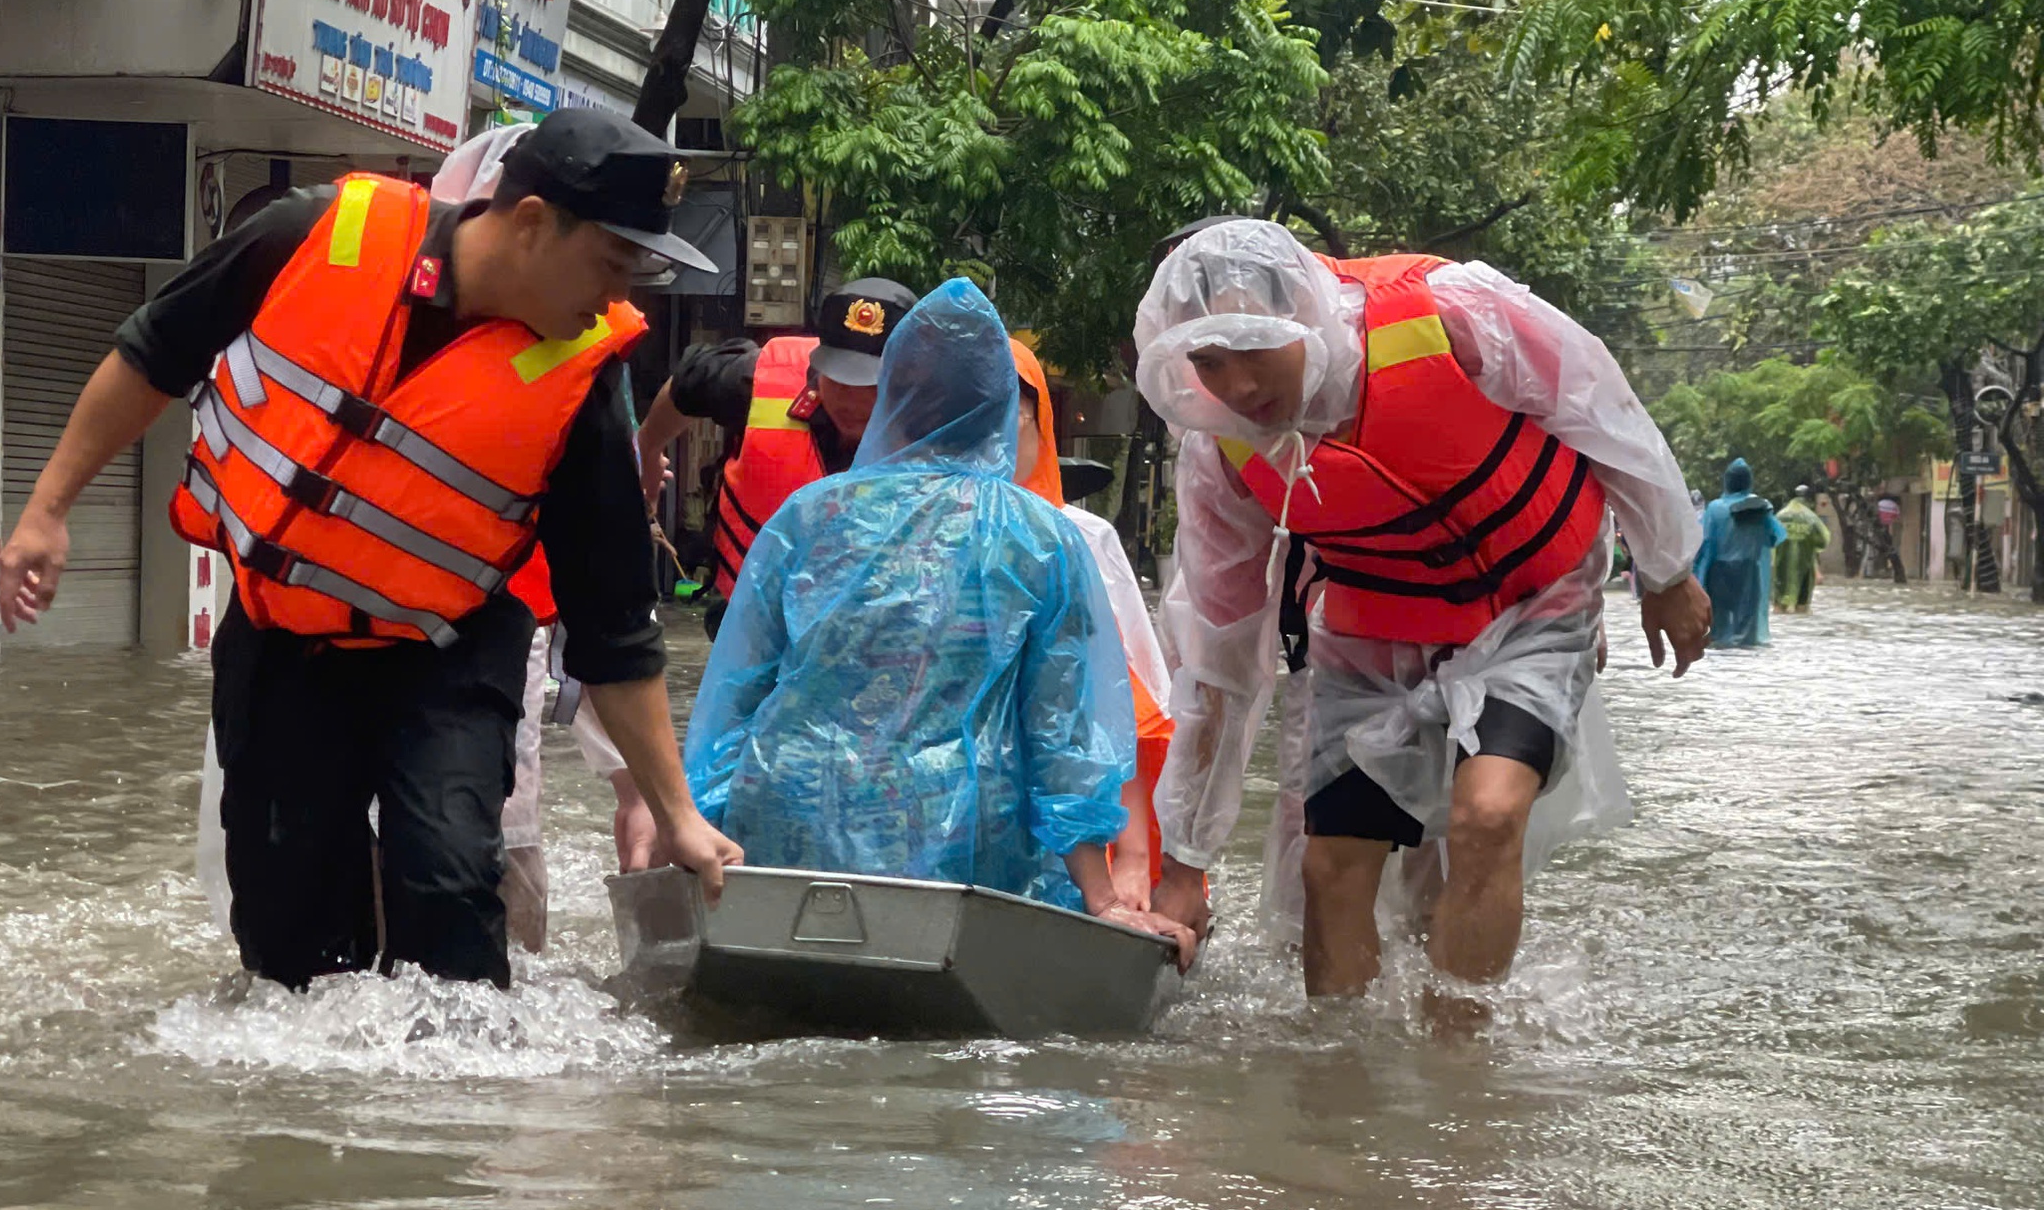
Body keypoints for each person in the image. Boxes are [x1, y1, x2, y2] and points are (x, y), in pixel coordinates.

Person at [0, 107, 742, 993]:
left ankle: (452, 1110)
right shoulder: (310, 235)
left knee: (451, 889)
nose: (623, 298)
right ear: (536, 222)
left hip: (451, 651)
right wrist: (46, 509)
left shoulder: (584, 379)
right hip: (284, 637)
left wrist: (675, 812)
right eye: (615, 264)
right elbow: (155, 353)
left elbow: (615, 624)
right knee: (288, 934)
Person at [1134, 219, 1712, 996]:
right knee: (1330, 863)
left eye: (1252, 346)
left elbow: (1601, 405)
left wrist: (1668, 567)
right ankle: (1338, 1080)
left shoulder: (1455, 313)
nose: (1237, 387)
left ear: (1302, 308)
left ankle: (1458, 1072)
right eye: (1208, 361)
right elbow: (1221, 660)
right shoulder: (1221, 453)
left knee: (1487, 816)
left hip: (1532, 603)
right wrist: (1185, 867)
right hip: (1375, 628)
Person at [681, 279, 1194, 958]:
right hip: (955, 849)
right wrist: (1103, 901)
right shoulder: (1041, 536)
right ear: (1000, 405)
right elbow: (1062, 733)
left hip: (784, 819)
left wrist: (695, 830)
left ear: (894, 395)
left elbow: (733, 696)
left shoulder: (806, 516)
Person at [632, 276, 920, 636]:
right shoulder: (753, 380)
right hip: (751, 616)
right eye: (837, 378)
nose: (851, 399)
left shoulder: (939, 418)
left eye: (869, 385)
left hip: (875, 628)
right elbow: (686, 386)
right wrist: (646, 453)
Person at [1008, 339, 1173, 909]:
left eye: (1013, 418)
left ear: (1040, 425)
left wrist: (1133, 856)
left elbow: (1127, 711)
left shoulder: (1081, 540)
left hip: (1075, 829)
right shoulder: (888, 531)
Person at [1695, 458, 1787, 647]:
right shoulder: (1761, 507)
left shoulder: (1714, 508)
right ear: (1749, 481)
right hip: (1748, 572)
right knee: (1747, 632)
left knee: (1717, 630)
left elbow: (1704, 543)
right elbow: (1774, 538)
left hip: (1718, 573)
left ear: (1727, 481)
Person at [1774, 482, 1833, 613]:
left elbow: (1769, 540)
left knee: (1779, 606)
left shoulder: (1780, 516)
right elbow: (1823, 541)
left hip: (1781, 569)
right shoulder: (1811, 518)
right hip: (1804, 569)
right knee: (1802, 608)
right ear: (1809, 500)